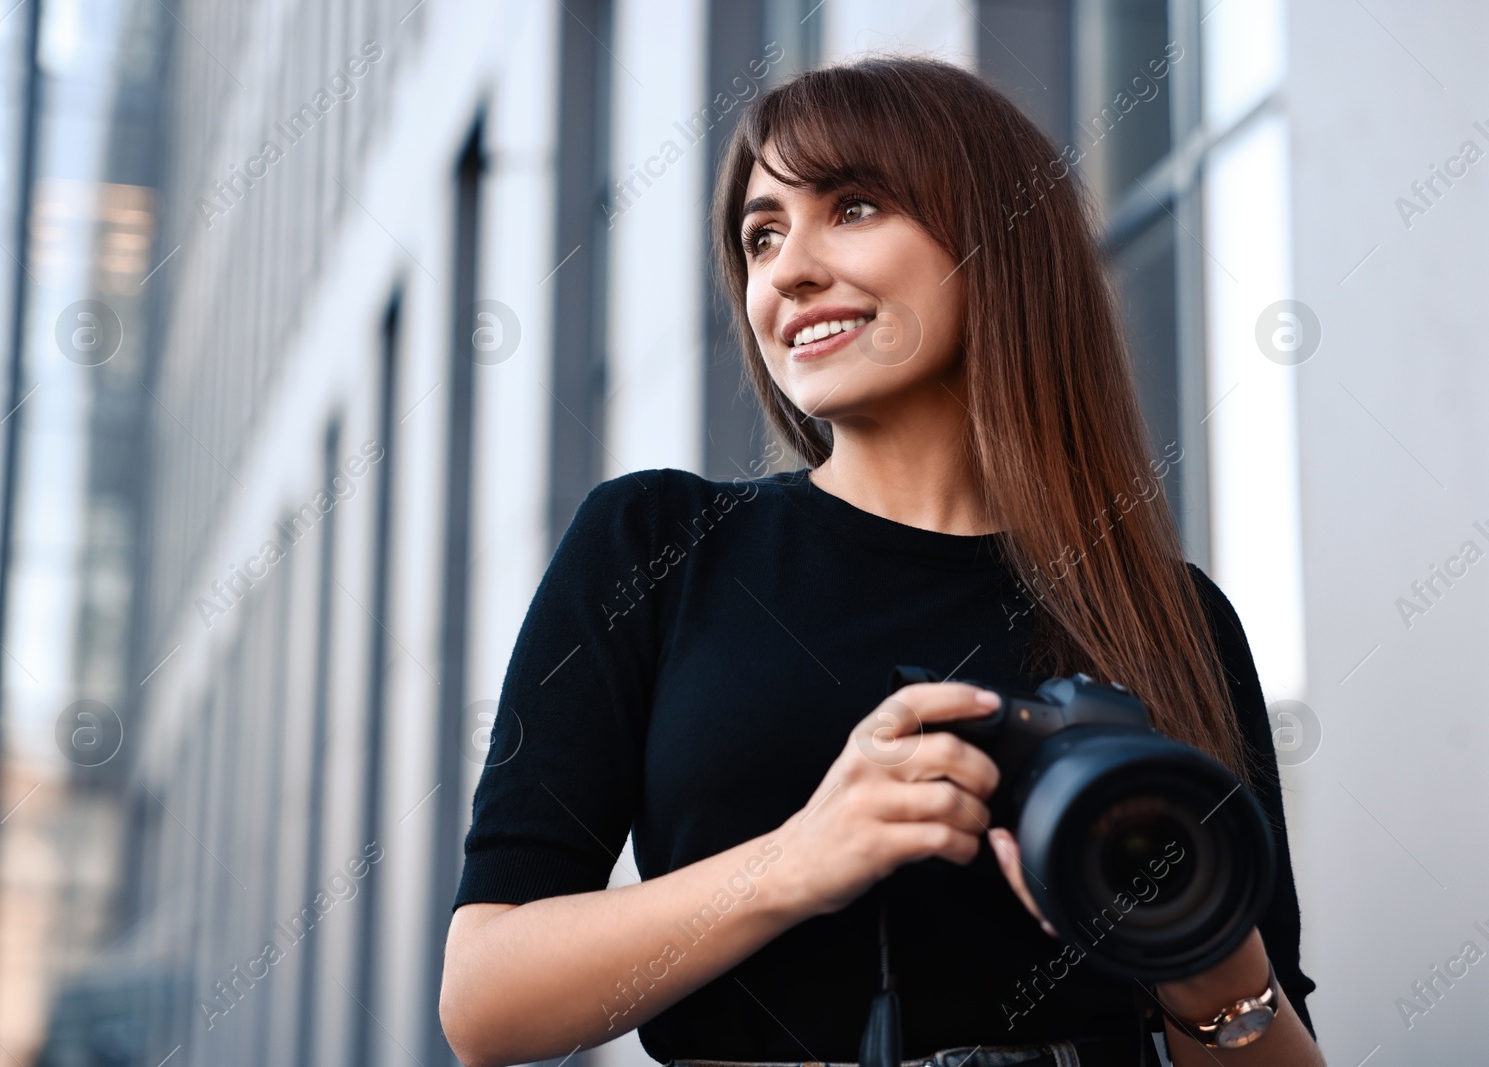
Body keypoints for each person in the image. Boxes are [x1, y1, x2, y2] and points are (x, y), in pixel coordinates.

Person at [439, 56, 1322, 1067]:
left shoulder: (1170, 614)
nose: (787, 268)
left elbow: (1269, 1041)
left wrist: (1206, 967)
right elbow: (485, 1000)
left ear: (998, 237)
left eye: (850, 207)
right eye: (760, 235)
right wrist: (794, 859)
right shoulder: (655, 542)